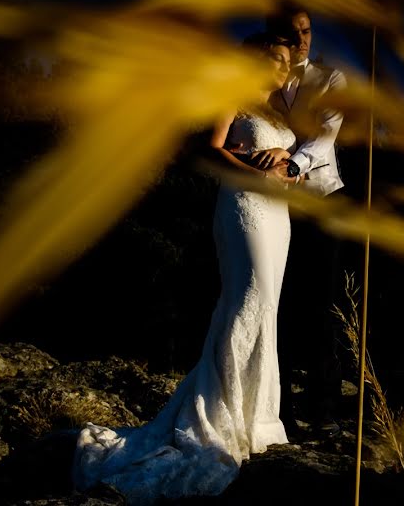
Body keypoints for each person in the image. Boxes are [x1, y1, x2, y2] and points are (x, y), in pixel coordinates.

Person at [73, 32, 298, 504]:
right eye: (273, 57)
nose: (281, 66)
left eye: (286, 60)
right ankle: (217, 416)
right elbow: (207, 150)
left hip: (280, 215)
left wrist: (286, 160)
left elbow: (297, 163)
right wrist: (255, 168)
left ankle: (258, 417)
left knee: (269, 307)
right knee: (247, 299)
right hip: (244, 207)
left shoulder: (284, 113)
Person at [262, 6, 348, 436]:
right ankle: (279, 405)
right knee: (279, 302)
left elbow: (325, 134)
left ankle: (325, 410)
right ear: (276, 36)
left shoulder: (332, 80)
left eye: (308, 31)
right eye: (292, 33)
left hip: (321, 202)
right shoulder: (267, 84)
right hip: (274, 208)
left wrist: (293, 166)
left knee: (322, 305)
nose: (302, 40)